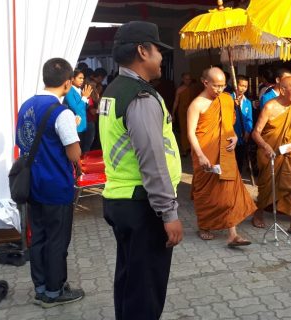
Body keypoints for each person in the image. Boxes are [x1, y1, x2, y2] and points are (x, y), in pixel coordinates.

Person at [98, 21, 183, 319]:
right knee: (146, 291)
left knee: (130, 281)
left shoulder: (114, 89)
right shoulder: (141, 97)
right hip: (143, 205)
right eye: (158, 50)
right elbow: (152, 160)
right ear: (142, 51)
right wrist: (169, 213)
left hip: (121, 199)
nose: (161, 57)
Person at [15, 57, 84, 308]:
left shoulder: (26, 106)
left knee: (40, 238)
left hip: (33, 184)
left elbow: (22, 142)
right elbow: (74, 153)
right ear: (67, 84)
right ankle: (55, 292)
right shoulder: (61, 112)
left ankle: (41, 288)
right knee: (57, 240)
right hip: (56, 185)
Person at [187, 67, 256, 246]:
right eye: (216, 86)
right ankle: (204, 226)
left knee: (229, 191)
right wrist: (200, 155)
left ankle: (233, 234)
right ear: (205, 83)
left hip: (225, 152)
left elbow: (228, 125)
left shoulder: (226, 99)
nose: (220, 90)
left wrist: (234, 136)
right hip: (205, 154)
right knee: (207, 193)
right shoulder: (197, 104)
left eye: (223, 85)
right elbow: (191, 133)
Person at [251, 76, 291, 240]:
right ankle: (258, 213)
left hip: (290, 154)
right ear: (283, 90)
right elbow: (256, 133)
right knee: (267, 186)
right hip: (271, 154)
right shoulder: (270, 106)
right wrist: (266, 147)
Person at [64, 69, 93, 153]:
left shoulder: (80, 90)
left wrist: (86, 99)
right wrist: (84, 98)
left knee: (85, 149)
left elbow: (84, 108)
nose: (82, 80)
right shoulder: (69, 91)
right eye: (79, 78)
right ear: (72, 79)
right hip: (76, 127)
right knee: (77, 152)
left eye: (83, 78)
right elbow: (76, 109)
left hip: (84, 125)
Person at [171, 72, 198, 156]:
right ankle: (185, 149)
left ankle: (192, 147)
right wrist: (173, 113)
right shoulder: (180, 89)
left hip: (192, 111)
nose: (188, 81)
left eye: (189, 79)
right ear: (183, 79)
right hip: (182, 111)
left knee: (193, 129)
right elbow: (176, 102)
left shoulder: (194, 88)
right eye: (186, 79)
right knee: (183, 130)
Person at [232, 75, 254, 174]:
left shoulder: (247, 102)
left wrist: (248, 131)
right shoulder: (228, 98)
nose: (243, 88)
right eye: (241, 85)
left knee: (239, 161)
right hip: (230, 135)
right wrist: (233, 105)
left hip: (242, 137)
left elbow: (249, 119)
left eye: (245, 86)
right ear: (235, 85)